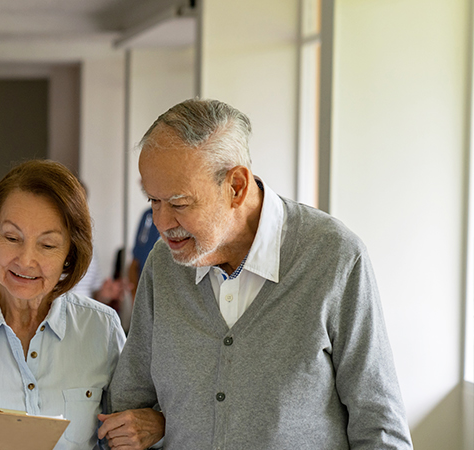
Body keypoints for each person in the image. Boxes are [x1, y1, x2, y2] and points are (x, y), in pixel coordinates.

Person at [103, 98, 412, 449]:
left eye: (179, 204)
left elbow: (379, 425)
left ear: (236, 186)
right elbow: (130, 402)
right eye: (152, 201)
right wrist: (156, 423)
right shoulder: (164, 264)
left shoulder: (333, 257)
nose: (161, 223)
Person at [0, 160, 125, 450]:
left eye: (48, 245)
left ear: (70, 253)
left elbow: (122, 437)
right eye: (12, 238)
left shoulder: (101, 329)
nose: (25, 260)